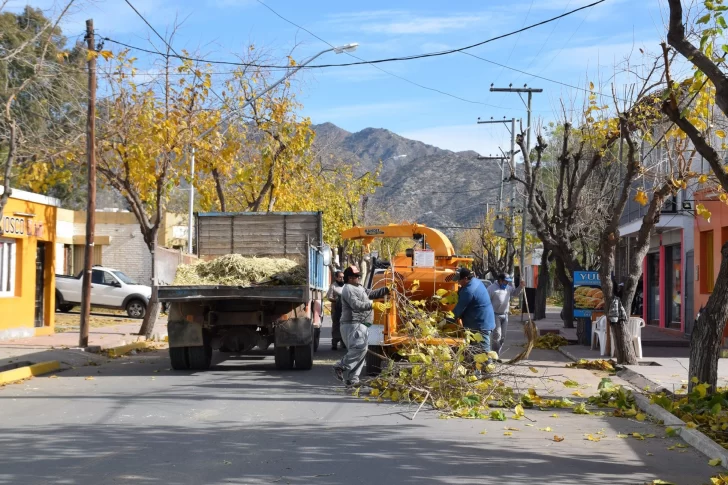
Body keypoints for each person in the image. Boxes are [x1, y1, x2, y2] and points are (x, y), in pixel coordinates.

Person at [333, 265, 389, 387]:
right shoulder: (347, 289)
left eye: (358, 276)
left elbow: (372, 293)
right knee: (359, 349)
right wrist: (372, 306)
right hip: (352, 324)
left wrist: (387, 289)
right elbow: (355, 304)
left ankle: (352, 380)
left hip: (359, 324)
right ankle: (341, 365)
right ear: (348, 278)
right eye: (354, 277)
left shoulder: (359, 287)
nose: (357, 278)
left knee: (361, 353)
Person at [451, 267, 495, 355]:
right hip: (479, 322)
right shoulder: (475, 281)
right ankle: (477, 369)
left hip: (480, 325)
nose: (458, 283)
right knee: (475, 353)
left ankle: (488, 368)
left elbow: (458, 310)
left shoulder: (469, 291)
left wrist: (444, 320)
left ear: (465, 278)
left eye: (459, 280)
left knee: (484, 353)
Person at [487, 273, 525, 355]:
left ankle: (497, 352)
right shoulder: (491, 288)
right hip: (495, 315)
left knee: (503, 337)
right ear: (500, 280)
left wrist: (521, 286)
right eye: (505, 282)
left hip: (505, 315)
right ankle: (495, 355)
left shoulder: (508, 288)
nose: (507, 283)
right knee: (497, 335)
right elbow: (486, 301)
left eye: (508, 282)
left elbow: (515, 293)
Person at [327, 270, 345, 350]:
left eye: (343, 277)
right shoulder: (333, 286)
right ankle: (334, 343)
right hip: (336, 310)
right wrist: (337, 300)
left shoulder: (346, 286)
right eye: (340, 277)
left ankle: (343, 342)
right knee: (336, 326)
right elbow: (329, 297)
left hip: (345, 310)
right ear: (336, 277)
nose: (342, 279)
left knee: (344, 325)